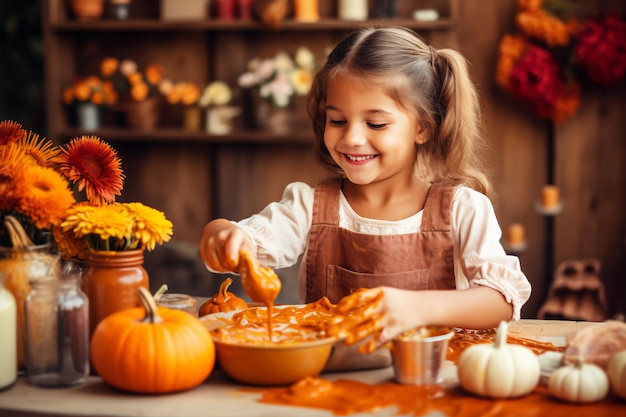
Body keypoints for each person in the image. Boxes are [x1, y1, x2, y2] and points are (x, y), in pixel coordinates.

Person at [199, 26, 531, 350]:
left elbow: (502, 300)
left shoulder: (463, 209)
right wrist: (225, 235)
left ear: (424, 128)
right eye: (337, 120)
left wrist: (418, 308)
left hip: (428, 380)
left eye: (375, 123)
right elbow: (241, 241)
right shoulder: (308, 205)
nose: (352, 138)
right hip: (329, 387)